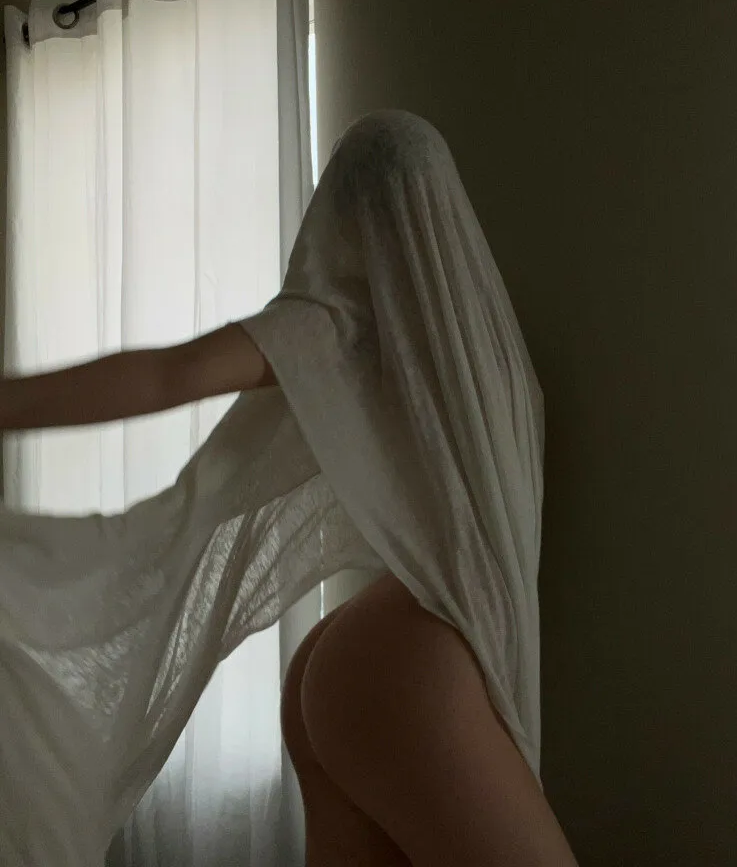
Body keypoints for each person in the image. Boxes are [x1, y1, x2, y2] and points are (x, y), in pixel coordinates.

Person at [0, 109, 579, 866]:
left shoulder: (352, 327)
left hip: (381, 656)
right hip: (415, 661)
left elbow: (172, 373)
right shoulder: (486, 356)